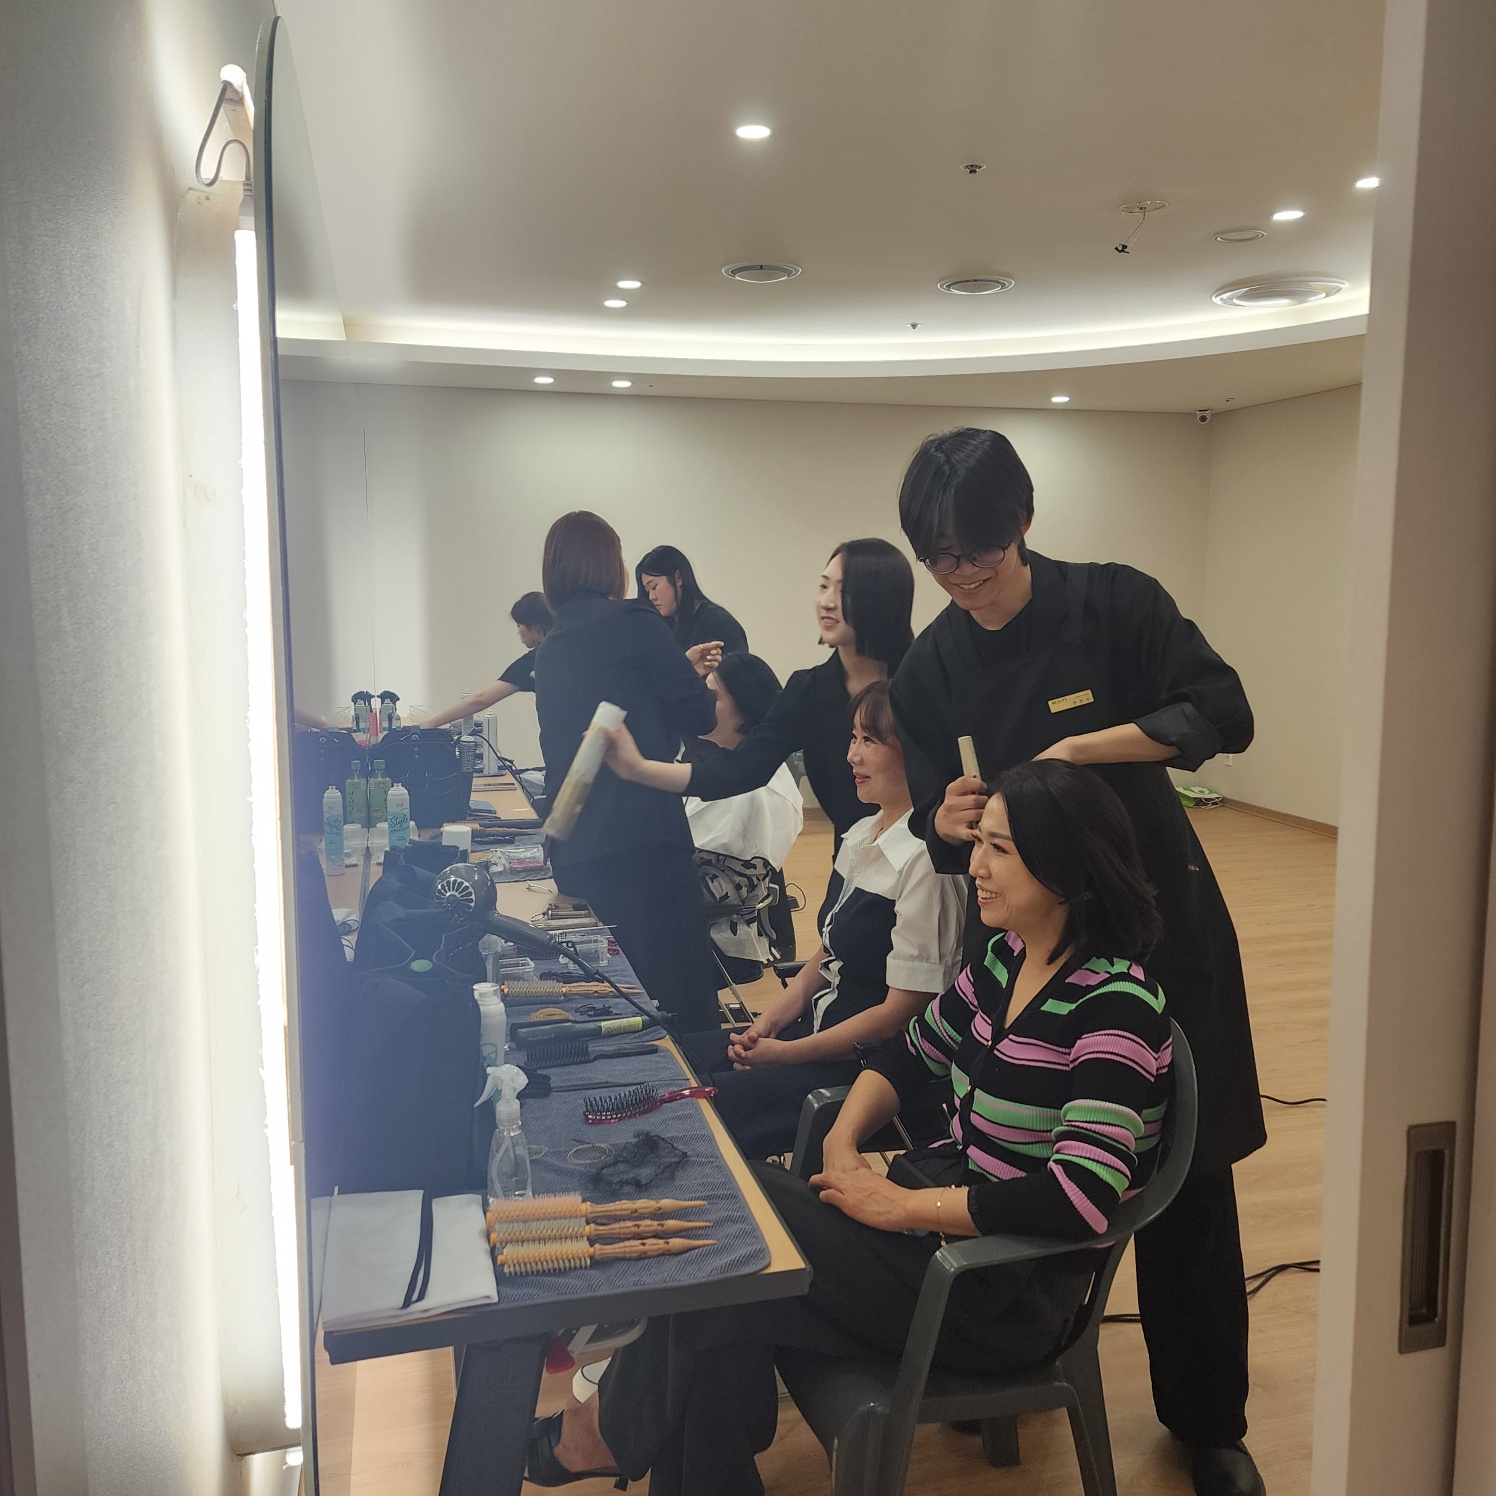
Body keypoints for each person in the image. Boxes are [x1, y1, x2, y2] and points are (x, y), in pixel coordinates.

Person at [525, 759, 1173, 1496]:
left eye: (1000, 849)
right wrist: (842, 1141)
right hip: (941, 1235)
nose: (976, 866)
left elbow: (1081, 1197)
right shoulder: (1006, 960)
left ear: (1066, 867)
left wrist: (901, 1205)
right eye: (980, 843)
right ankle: (626, 1443)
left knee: (734, 1228)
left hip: (999, 1290)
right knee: (722, 1286)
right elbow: (908, 1055)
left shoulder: (1117, 1006)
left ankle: (599, 1435)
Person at [889, 426, 1266, 1496]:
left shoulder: (1114, 603)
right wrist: (941, 816)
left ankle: (1208, 1422)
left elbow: (1223, 712)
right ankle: (1007, 1362)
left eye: (977, 550)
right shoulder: (931, 664)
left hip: (1158, 929)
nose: (959, 575)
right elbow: (934, 817)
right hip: (1025, 952)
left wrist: (1081, 748)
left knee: (1188, 1182)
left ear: (1023, 521)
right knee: (1016, 1158)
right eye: (937, 557)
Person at [653, 680, 963, 1157]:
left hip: (863, 1068)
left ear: (916, 751)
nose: (851, 756)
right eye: (853, 738)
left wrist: (784, 1054)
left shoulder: (925, 861)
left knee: (686, 1114)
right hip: (812, 1036)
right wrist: (766, 1024)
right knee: (665, 1060)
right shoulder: (862, 834)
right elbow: (827, 953)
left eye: (870, 741)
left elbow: (898, 1016)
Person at [532, 512, 721, 1033]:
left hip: (575, 840)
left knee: (609, 994)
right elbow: (699, 716)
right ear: (607, 564)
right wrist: (688, 676)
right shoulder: (635, 621)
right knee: (677, 993)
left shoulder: (550, 647)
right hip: (643, 839)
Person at [606, 538, 915, 854]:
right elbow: (743, 766)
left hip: (927, 853)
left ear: (881, 598)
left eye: (843, 591)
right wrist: (639, 769)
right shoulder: (810, 690)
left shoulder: (921, 679)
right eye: (823, 586)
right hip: (856, 853)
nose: (827, 602)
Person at [681, 653, 804, 972]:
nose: (700, 704)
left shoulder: (759, 790)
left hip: (711, 937)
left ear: (744, 708)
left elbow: (715, 890)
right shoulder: (724, 766)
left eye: (712, 694)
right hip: (691, 917)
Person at [420, 591, 554, 728]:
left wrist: (430, 724)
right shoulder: (562, 650)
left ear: (535, 626)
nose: (518, 631)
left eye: (519, 625)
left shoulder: (534, 661)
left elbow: (480, 700)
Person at [636, 544, 750, 656]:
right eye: (647, 591)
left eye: (654, 587)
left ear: (679, 577)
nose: (651, 597)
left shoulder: (719, 624)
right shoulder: (662, 627)